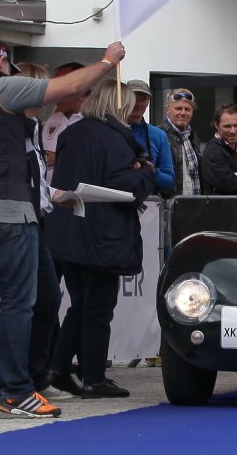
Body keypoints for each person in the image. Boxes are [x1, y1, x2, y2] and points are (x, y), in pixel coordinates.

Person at [0, 37, 124, 420]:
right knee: (18, 302)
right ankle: (17, 391)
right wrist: (108, 61)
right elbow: (69, 87)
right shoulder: (2, 89)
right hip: (7, 209)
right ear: (1, 62)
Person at [45, 80, 156, 398]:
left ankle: (58, 368)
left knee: (81, 304)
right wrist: (145, 172)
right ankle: (92, 377)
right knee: (98, 308)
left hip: (70, 228)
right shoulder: (115, 139)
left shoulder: (71, 134)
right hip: (102, 233)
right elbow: (125, 187)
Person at [14, 61, 70, 404]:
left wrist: (53, 195)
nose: (48, 95)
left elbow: (35, 176)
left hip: (36, 218)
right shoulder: (15, 127)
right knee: (31, 300)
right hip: (19, 220)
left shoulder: (33, 126)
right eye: (42, 88)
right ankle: (21, 378)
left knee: (46, 298)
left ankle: (34, 374)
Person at [125, 78, 174, 198]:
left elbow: (169, 181)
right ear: (124, 99)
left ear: (148, 102)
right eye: (133, 98)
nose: (138, 103)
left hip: (148, 204)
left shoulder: (159, 136)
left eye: (143, 99)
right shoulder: (112, 131)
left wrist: (153, 172)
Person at [40, 61, 86, 174]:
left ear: (81, 88)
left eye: (62, 85)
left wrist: (59, 158)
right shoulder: (53, 118)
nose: (56, 92)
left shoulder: (96, 122)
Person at [159, 87, 201, 197]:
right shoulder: (159, 135)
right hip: (170, 204)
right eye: (178, 108)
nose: (183, 113)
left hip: (194, 203)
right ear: (167, 110)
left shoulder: (193, 137)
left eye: (187, 109)